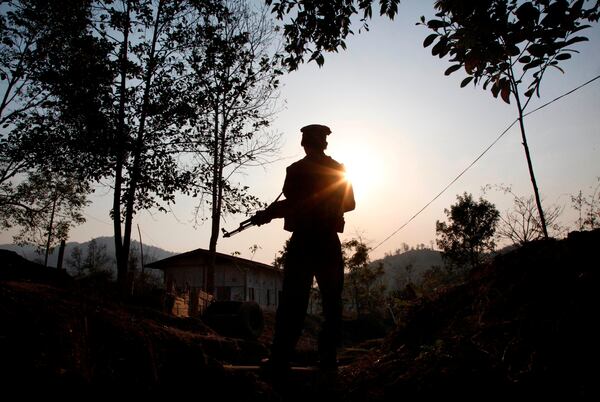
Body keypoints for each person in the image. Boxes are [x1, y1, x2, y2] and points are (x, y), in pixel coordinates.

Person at [251, 124, 355, 379]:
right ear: (325, 144)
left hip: (304, 242)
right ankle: (328, 359)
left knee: (293, 302)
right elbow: (350, 204)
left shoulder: (295, 170)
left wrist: (270, 213)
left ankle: (280, 358)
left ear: (304, 144)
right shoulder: (339, 170)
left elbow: (296, 204)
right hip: (328, 241)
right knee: (332, 302)